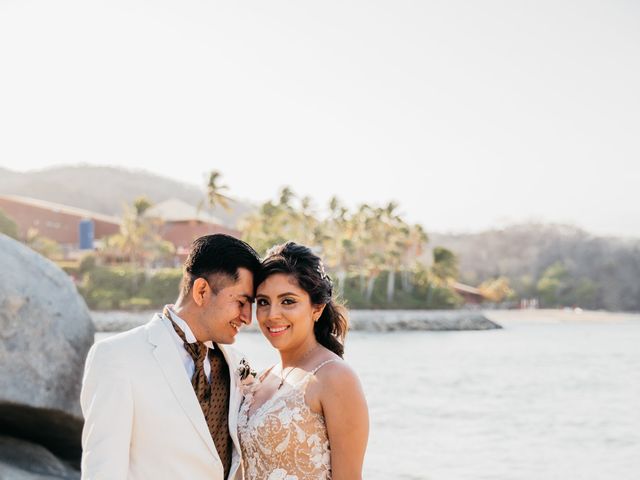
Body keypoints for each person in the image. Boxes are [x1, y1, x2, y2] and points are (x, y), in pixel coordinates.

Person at [80, 234, 261, 480]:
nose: (248, 318)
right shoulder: (117, 357)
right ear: (202, 291)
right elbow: (103, 470)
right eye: (241, 302)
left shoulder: (238, 363)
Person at [237, 242, 369, 480]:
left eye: (288, 301)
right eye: (264, 302)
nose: (272, 314)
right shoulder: (264, 377)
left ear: (316, 309)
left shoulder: (335, 377)